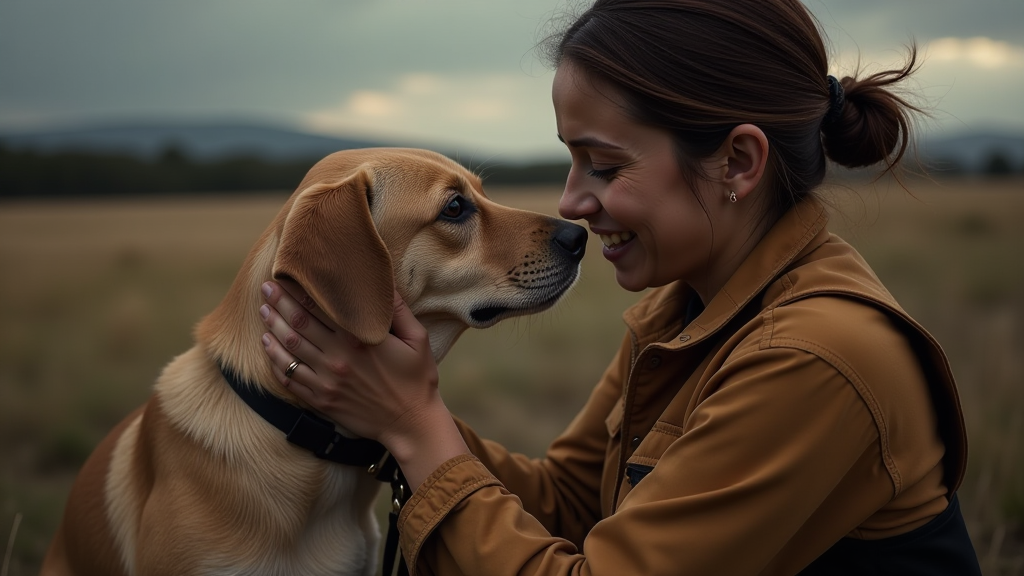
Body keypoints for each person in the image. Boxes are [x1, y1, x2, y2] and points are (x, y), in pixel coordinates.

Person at [257, 0, 982, 573]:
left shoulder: (816, 358)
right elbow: (568, 505)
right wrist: (392, 414)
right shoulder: (686, 310)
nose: (571, 202)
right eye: (572, 161)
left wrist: (414, 427)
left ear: (737, 163)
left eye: (602, 165)